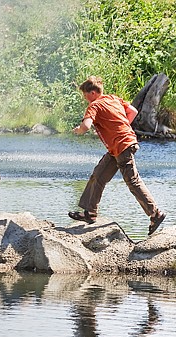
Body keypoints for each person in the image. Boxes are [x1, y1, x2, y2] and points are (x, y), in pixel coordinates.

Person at [70, 76, 166, 235]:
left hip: (122, 146)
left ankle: (155, 213)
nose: (85, 99)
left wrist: (78, 130)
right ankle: (90, 212)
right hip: (120, 146)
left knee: (133, 181)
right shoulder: (112, 99)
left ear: (93, 93)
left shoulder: (94, 105)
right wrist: (121, 127)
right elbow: (133, 111)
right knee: (98, 175)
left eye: (86, 95)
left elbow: (86, 126)